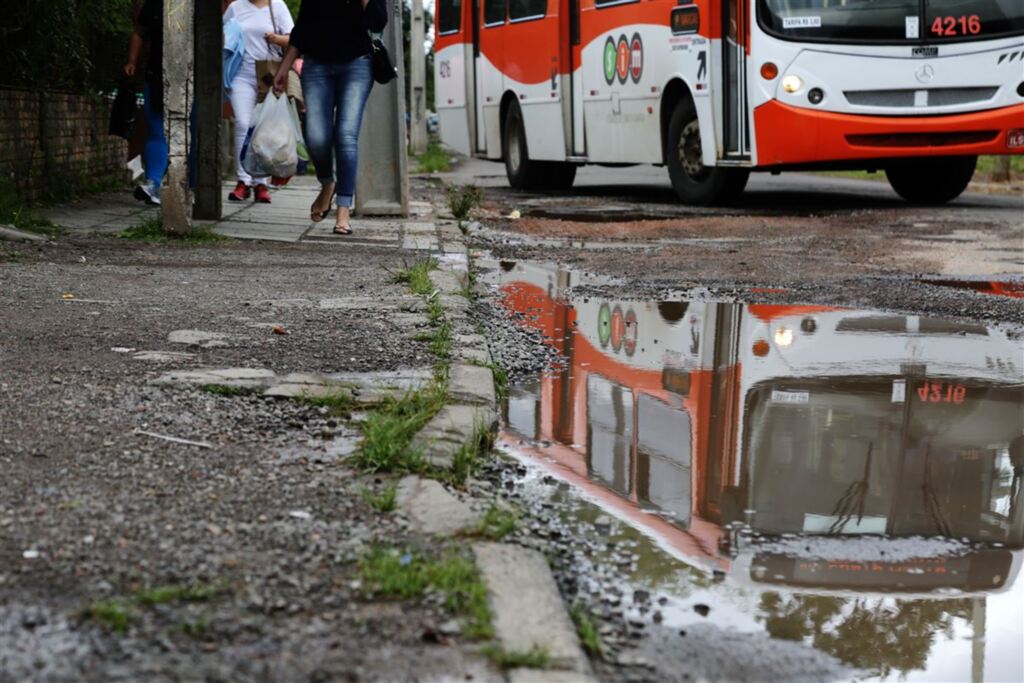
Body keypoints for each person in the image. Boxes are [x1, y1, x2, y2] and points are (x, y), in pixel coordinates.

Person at [273, 0, 387, 234]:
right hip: (316, 66)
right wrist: (284, 67)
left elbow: (378, 22)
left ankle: (343, 210)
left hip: (357, 65)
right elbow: (303, 27)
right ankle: (327, 183)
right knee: (316, 136)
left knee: (346, 136)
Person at [222, 0, 294, 203]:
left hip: (268, 75)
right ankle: (243, 181)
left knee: (263, 128)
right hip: (240, 75)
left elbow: (293, 39)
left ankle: (260, 182)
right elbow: (221, 34)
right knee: (243, 124)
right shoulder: (236, 7)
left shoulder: (277, 6)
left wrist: (276, 38)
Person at [123, 0, 165, 206]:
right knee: (157, 128)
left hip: (194, 78)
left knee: (192, 132)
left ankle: (191, 187)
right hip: (156, 75)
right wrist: (132, 61)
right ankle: (153, 183)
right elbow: (140, 32)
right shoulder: (155, 4)